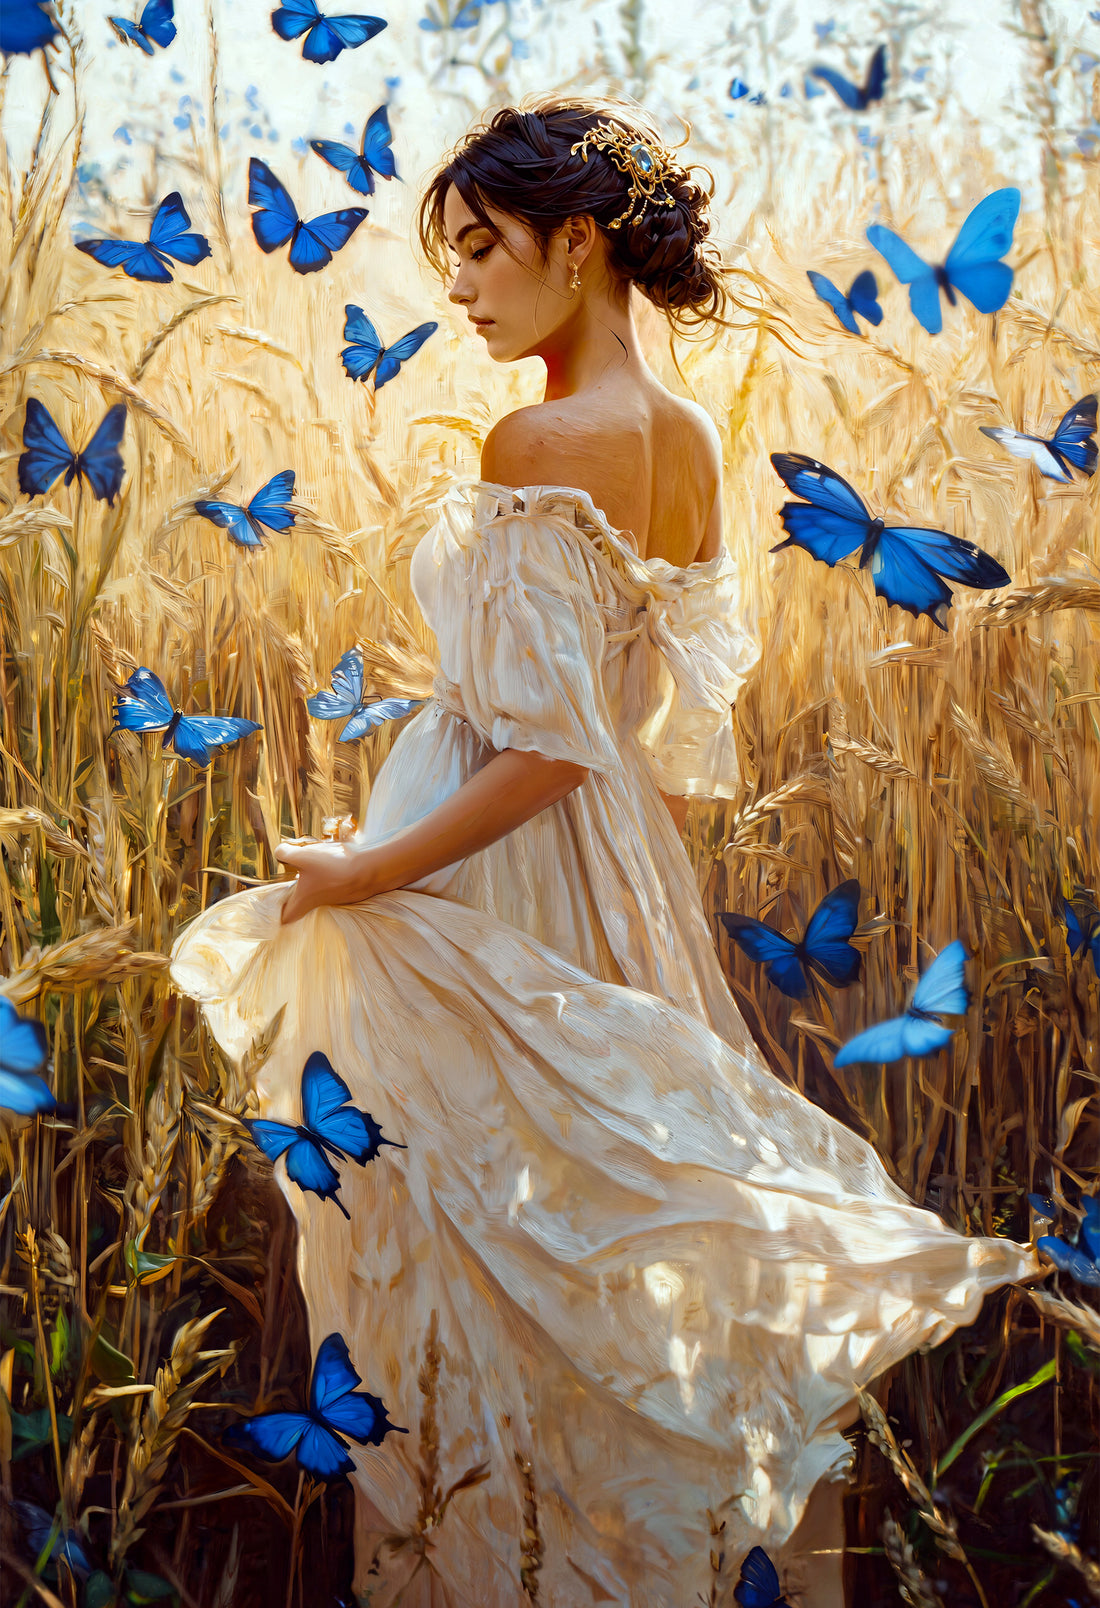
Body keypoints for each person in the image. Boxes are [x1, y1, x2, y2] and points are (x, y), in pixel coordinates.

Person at [171, 96, 1037, 1608]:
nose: (459, 287)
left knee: (496, 1250)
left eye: (483, 248)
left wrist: (362, 876)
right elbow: (649, 737)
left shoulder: (537, 434)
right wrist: (630, 902)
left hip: (485, 863)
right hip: (609, 866)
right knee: (609, 1242)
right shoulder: (693, 437)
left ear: (579, 245)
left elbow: (549, 740)